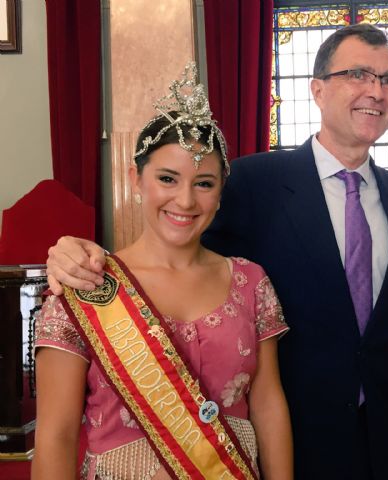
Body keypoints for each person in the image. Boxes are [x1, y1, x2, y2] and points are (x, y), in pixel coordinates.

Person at [45, 26, 388, 480]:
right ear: (316, 89)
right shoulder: (253, 181)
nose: (375, 92)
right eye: (358, 74)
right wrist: (77, 254)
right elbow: (177, 243)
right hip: (292, 436)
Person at [32, 64, 293, 480]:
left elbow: (267, 406)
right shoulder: (87, 282)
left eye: (204, 183)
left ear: (221, 191)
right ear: (136, 179)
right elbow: (56, 435)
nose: (185, 201)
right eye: (168, 179)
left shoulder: (250, 281)